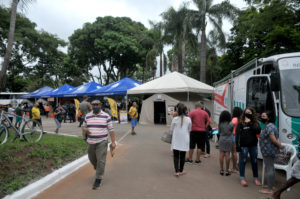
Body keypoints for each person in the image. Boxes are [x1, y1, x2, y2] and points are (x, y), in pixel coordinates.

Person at [82, 100, 116, 190]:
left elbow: (111, 130)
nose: (95, 106)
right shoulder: (88, 116)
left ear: (100, 105)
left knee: (101, 160)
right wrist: (84, 132)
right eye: (93, 105)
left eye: (97, 104)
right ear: (91, 106)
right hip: (91, 141)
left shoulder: (106, 116)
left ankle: (98, 179)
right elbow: (83, 126)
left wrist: (113, 142)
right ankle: (98, 168)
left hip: (102, 141)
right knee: (91, 158)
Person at [259, 111, 284, 195]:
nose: (261, 117)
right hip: (270, 151)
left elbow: (273, 139)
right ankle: (271, 185)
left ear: (268, 118)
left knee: (269, 169)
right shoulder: (272, 126)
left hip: (268, 151)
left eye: (263, 116)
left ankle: (270, 190)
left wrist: (280, 146)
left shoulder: (269, 127)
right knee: (271, 168)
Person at [236, 107, 261, 187]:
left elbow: (258, 131)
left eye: (249, 112)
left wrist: (250, 123)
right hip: (244, 146)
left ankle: (255, 178)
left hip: (253, 145)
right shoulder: (241, 123)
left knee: (254, 161)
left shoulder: (255, 122)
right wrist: (237, 146)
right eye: (246, 112)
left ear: (252, 113)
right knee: (243, 161)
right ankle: (242, 178)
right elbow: (237, 135)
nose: (247, 114)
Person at [171, 103, 192, 177]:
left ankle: (176, 171)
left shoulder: (174, 119)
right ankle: (181, 170)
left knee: (176, 155)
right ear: (185, 110)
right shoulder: (189, 119)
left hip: (176, 138)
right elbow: (190, 129)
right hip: (185, 138)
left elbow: (172, 129)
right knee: (183, 155)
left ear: (178, 111)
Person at [218, 110, 234, 176]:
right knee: (227, 154)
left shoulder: (220, 123)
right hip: (229, 139)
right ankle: (227, 170)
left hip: (221, 139)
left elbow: (219, 132)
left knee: (221, 154)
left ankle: (221, 170)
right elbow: (232, 131)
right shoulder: (231, 124)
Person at [230, 107, 243, 173]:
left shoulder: (234, 119)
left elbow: (230, 125)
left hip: (233, 135)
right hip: (238, 136)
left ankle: (234, 167)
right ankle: (237, 167)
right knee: (237, 153)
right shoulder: (240, 119)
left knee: (234, 152)